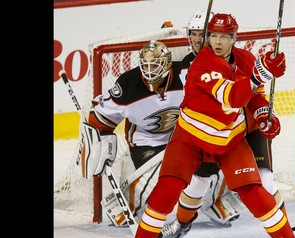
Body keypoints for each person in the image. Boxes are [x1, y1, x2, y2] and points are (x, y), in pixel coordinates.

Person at [123, 13, 295, 238]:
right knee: (167, 189)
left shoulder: (246, 60)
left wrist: (264, 114)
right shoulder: (202, 64)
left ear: (234, 38)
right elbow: (232, 97)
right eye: (213, 35)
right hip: (190, 138)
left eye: (223, 36)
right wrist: (260, 74)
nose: (217, 41)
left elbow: (253, 97)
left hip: (229, 139)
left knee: (254, 191)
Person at [84, 39, 224, 224]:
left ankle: (212, 202)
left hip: (182, 139)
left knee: (212, 165)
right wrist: (100, 137)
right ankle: (129, 207)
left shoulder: (185, 75)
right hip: (146, 141)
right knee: (162, 180)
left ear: (166, 64)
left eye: (155, 66)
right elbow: (101, 114)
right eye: (146, 66)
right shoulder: (128, 85)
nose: (150, 72)